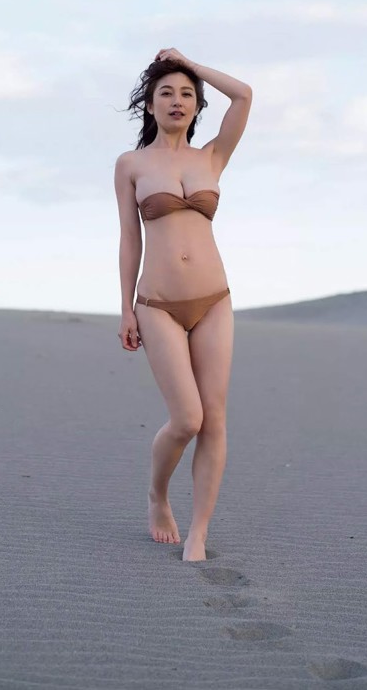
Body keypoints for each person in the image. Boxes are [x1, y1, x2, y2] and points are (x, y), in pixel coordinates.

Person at [114, 47, 253, 561]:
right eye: (166, 93)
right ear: (149, 106)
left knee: (214, 418)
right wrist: (126, 307)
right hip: (158, 304)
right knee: (187, 419)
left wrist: (190, 63)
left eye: (187, 94)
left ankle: (199, 530)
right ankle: (157, 495)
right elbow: (130, 238)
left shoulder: (212, 157)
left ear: (197, 107)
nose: (177, 100)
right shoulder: (131, 164)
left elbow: (244, 95)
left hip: (215, 301)